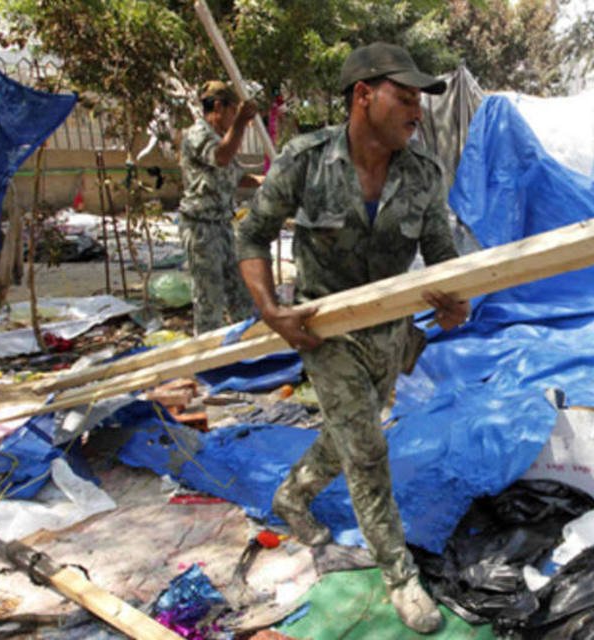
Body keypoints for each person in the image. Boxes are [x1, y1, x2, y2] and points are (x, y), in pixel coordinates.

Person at [235, 43, 470, 634]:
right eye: (406, 97)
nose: (417, 111)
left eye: (421, 101)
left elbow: (443, 261)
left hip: (391, 335)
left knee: (349, 433)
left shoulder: (424, 173)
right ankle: (400, 577)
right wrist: (269, 309)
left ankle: (292, 495)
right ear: (364, 96)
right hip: (325, 334)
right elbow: (252, 237)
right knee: (367, 451)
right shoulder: (305, 160)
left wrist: (455, 306)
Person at [179, 80, 261, 335]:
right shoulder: (197, 135)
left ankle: (247, 347)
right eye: (232, 111)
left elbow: (238, 176)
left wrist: (272, 181)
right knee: (209, 300)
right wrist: (240, 123)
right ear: (217, 106)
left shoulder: (220, 138)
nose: (235, 118)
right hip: (202, 228)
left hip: (223, 226)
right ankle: (209, 361)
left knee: (241, 294)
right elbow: (221, 157)